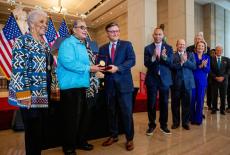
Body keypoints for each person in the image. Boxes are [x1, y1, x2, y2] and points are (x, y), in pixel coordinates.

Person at [8, 10, 54, 155]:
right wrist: (23, 95)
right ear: (31, 24)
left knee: (40, 132)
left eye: (46, 22)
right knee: (32, 132)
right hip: (29, 95)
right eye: (41, 22)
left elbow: (49, 69)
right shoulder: (22, 41)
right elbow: (18, 70)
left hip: (43, 94)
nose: (45, 25)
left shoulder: (45, 45)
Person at [57, 19, 101, 155]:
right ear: (74, 29)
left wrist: (95, 69)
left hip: (82, 86)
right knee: (70, 119)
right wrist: (90, 68)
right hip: (70, 88)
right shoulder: (67, 43)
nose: (85, 30)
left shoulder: (83, 45)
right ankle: (68, 146)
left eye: (86, 27)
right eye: (81, 27)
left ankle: (79, 142)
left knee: (80, 117)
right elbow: (68, 62)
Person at [99, 22, 136, 151]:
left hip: (124, 86)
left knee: (126, 113)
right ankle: (113, 135)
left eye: (117, 31)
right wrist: (101, 68)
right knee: (111, 112)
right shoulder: (102, 48)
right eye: (112, 31)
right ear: (107, 33)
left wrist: (118, 68)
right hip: (109, 85)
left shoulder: (127, 45)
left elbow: (132, 60)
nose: (115, 33)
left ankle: (129, 139)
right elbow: (101, 64)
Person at [144, 27, 173, 135]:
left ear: (163, 35)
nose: (157, 36)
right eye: (156, 34)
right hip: (152, 79)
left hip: (164, 80)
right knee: (151, 103)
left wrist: (164, 57)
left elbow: (171, 63)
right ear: (153, 35)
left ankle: (163, 125)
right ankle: (151, 125)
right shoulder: (147, 48)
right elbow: (146, 63)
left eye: (160, 34)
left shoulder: (169, 48)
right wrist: (153, 57)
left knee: (164, 103)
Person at [171, 39, 196, 130]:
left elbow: (194, 66)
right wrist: (180, 63)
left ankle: (185, 123)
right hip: (176, 84)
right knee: (175, 105)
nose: (181, 46)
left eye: (183, 44)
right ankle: (176, 122)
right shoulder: (173, 55)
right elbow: (171, 67)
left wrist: (186, 61)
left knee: (186, 104)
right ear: (177, 45)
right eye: (180, 44)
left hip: (188, 84)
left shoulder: (190, 55)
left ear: (185, 45)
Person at [190, 40, 210, 125]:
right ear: (196, 47)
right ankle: (191, 118)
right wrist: (200, 66)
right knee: (192, 99)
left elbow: (208, 70)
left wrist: (204, 66)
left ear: (204, 48)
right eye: (199, 46)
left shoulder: (207, 57)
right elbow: (191, 67)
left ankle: (198, 119)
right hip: (192, 79)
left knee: (200, 99)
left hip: (202, 80)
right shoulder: (192, 55)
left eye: (202, 46)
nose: (200, 47)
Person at [210, 45, 230, 115]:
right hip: (214, 80)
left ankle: (222, 109)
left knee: (223, 95)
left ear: (222, 51)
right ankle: (214, 109)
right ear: (215, 51)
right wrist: (215, 77)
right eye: (217, 50)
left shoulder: (227, 59)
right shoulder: (211, 59)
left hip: (224, 81)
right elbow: (210, 70)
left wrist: (223, 77)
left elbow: (228, 70)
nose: (219, 51)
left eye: (220, 50)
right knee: (214, 95)